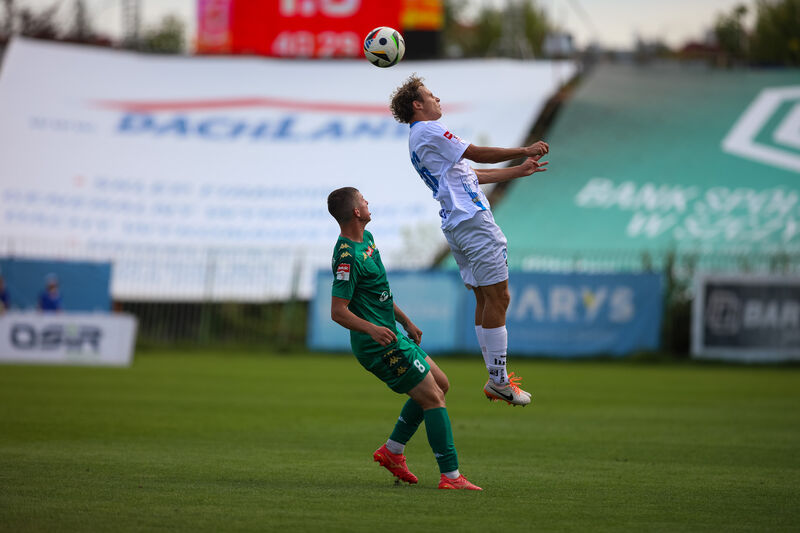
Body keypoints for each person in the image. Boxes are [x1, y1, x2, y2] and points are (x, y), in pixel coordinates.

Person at [390, 74, 549, 407]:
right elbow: (476, 154)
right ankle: (499, 380)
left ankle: (496, 377)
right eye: (431, 95)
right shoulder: (431, 130)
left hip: (456, 223)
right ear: (417, 105)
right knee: (500, 296)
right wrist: (524, 148)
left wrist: (518, 170)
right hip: (472, 222)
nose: (437, 99)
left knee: (484, 298)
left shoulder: (417, 138)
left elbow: (469, 175)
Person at [327, 186, 481, 491]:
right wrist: (372, 329)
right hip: (377, 344)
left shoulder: (367, 240)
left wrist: (405, 320)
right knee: (434, 398)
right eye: (363, 200)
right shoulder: (347, 256)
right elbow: (338, 311)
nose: (368, 202)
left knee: (441, 385)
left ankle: (392, 451)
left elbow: (377, 294)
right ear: (356, 212)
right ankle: (451, 477)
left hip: (393, 333)